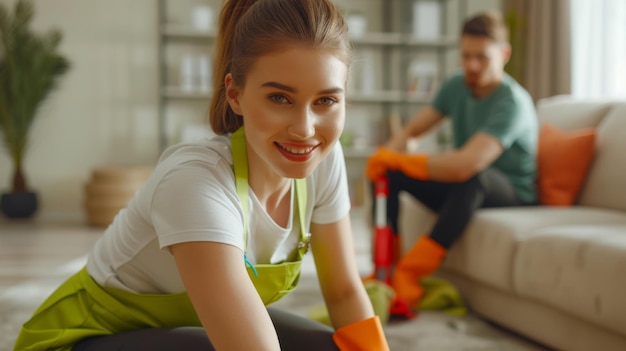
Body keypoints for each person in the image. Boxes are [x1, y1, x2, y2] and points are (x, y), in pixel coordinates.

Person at [14, 1, 389, 350]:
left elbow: (342, 292)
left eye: (326, 100)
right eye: (280, 98)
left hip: (181, 327)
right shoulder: (194, 182)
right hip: (83, 338)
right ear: (235, 94)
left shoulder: (325, 160)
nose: (305, 129)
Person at [366, 10, 538, 310]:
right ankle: (385, 269)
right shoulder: (457, 85)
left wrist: (398, 158)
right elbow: (411, 131)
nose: (472, 65)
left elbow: (466, 165)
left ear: (504, 54)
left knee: (473, 177)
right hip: (464, 188)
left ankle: (410, 272)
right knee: (389, 174)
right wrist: (387, 159)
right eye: (466, 55)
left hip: (510, 191)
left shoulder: (512, 102)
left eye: (482, 57)